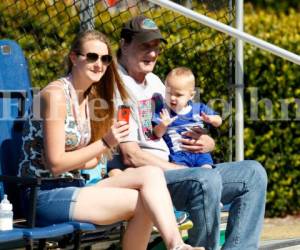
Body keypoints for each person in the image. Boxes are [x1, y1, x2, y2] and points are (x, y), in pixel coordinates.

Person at [18, 30, 204, 250]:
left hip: (77, 185)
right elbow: (56, 163)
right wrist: (105, 143)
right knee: (143, 203)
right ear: (73, 57)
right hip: (44, 195)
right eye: (92, 57)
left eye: (105, 59)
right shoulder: (55, 95)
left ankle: (177, 245)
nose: (100, 64)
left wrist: (93, 154)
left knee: (151, 174)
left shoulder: (91, 99)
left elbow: (91, 162)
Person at [108, 15, 268, 250]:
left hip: (178, 169)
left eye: (156, 48)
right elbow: (132, 156)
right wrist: (186, 170)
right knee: (205, 179)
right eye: (144, 46)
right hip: (148, 178)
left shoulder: (155, 82)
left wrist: (206, 142)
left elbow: (183, 122)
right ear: (124, 44)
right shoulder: (115, 86)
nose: (152, 54)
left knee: (253, 173)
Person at [152, 67, 222, 169]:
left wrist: (211, 119)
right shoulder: (163, 111)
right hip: (178, 155)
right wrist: (163, 125)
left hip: (200, 153)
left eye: (178, 95)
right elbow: (156, 133)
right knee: (185, 174)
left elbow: (219, 120)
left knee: (207, 171)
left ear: (191, 95)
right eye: (169, 93)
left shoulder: (198, 108)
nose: (172, 98)